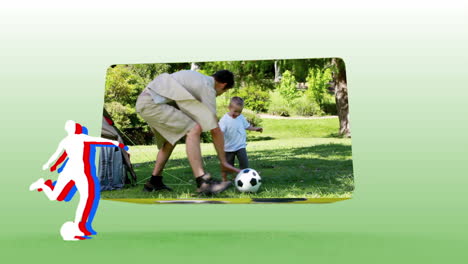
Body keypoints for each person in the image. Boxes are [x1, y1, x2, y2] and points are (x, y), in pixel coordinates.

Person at [135, 69, 240, 195]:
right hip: (151, 103)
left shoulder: (197, 78)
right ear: (223, 85)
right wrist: (223, 162)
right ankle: (203, 182)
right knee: (193, 129)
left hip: (146, 101)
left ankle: (154, 181)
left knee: (170, 140)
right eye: (225, 91)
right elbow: (215, 129)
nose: (221, 94)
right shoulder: (208, 87)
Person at [219, 97, 263, 181]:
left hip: (240, 146)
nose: (237, 114)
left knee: (244, 163)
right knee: (229, 166)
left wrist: (255, 129)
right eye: (235, 111)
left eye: (239, 112)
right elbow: (220, 132)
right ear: (229, 108)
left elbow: (247, 126)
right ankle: (227, 179)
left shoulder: (241, 117)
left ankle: (247, 176)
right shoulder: (224, 119)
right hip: (228, 147)